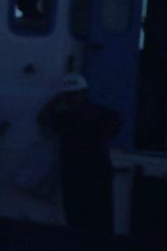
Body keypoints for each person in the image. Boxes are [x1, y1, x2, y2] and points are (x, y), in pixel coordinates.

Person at [37, 76, 123, 238]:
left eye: (73, 94)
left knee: (96, 217)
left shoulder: (93, 114)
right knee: (79, 216)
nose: (71, 99)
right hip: (77, 171)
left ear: (83, 93)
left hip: (94, 172)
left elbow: (117, 120)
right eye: (68, 95)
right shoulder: (68, 117)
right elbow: (42, 118)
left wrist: (100, 141)